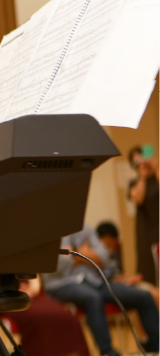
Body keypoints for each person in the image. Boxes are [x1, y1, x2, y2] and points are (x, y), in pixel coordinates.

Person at [43, 225, 160, 356]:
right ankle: (107, 351)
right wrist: (84, 254)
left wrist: (75, 255)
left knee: (143, 296)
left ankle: (156, 346)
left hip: (95, 281)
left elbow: (104, 257)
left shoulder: (86, 230)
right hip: (62, 283)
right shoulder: (50, 233)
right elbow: (54, 265)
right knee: (93, 298)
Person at [96, 220, 160, 310]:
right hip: (114, 286)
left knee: (156, 292)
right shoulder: (95, 257)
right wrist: (125, 280)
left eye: (112, 245)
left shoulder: (115, 254)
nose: (109, 248)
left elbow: (118, 274)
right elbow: (105, 279)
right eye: (106, 244)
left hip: (124, 283)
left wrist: (129, 278)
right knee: (148, 296)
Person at [128, 144, 160, 283]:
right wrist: (142, 176)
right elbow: (138, 198)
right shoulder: (134, 183)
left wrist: (156, 168)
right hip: (146, 232)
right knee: (149, 270)